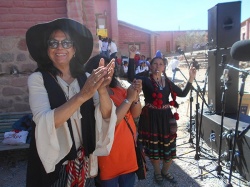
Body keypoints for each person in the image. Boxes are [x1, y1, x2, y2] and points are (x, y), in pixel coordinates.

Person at [25, 18, 117, 187]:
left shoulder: (86, 78)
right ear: (47, 49)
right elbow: (46, 121)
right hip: (54, 164)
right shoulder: (38, 80)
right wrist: (82, 96)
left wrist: (102, 90)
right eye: (53, 43)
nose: (60, 47)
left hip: (84, 160)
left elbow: (106, 115)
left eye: (66, 43)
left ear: (74, 49)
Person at [135, 51, 196, 185]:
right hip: (151, 118)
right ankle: (157, 172)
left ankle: (165, 171)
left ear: (164, 67)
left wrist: (191, 78)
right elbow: (130, 77)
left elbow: (183, 93)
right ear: (150, 66)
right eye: (155, 63)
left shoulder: (168, 82)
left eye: (161, 64)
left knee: (170, 145)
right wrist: (132, 56)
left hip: (166, 117)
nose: (158, 66)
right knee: (154, 145)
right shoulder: (145, 79)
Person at [84, 54, 142, 187]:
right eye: (102, 70)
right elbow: (111, 121)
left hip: (127, 153)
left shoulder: (120, 90)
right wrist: (128, 99)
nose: (107, 74)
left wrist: (135, 96)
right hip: (108, 156)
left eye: (110, 70)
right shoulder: (91, 96)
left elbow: (135, 113)